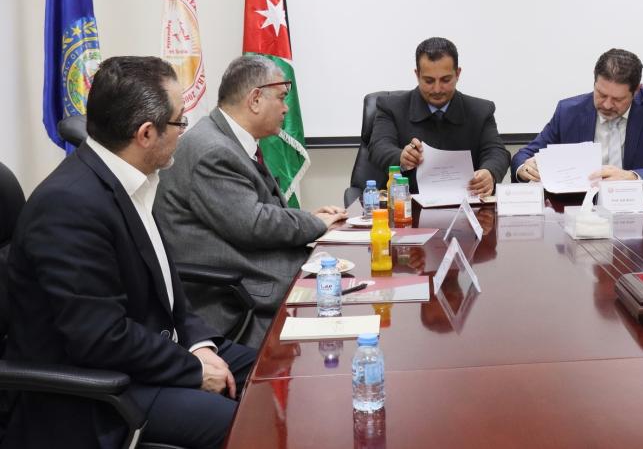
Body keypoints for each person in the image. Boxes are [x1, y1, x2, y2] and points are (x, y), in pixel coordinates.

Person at [3, 56, 255, 449]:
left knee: (277, 371)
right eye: (180, 122)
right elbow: (100, 339)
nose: (184, 132)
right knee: (253, 425)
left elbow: (168, 293)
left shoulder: (130, 179)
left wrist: (199, 345)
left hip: (149, 355)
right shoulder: (68, 206)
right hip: (95, 394)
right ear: (146, 134)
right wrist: (193, 369)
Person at [155, 55, 346, 347]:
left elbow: (251, 211)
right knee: (339, 314)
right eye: (281, 98)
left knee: (346, 286)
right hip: (233, 299)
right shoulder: (213, 150)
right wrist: (314, 222)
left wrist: (309, 218)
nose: (286, 108)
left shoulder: (227, 139)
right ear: (255, 99)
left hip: (253, 271)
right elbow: (253, 224)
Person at [512, 48, 643, 185]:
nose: (607, 105)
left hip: (641, 204)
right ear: (594, 82)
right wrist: (525, 168)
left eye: (618, 99)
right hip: (580, 207)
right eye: (601, 94)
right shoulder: (568, 111)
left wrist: (631, 176)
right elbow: (525, 155)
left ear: (637, 90)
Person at [367, 37, 510, 195]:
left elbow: (496, 152)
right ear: (417, 75)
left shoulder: (480, 111)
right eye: (429, 81)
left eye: (445, 80)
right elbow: (379, 147)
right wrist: (401, 157)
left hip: (466, 203)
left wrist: (490, 172)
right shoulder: (391, 108)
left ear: (458, 74)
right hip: (407, 201)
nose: (437, 89)